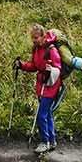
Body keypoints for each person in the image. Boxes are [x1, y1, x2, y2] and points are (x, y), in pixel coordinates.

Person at [15, 24, 65, 153]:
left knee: (41, 114)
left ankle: (44, 142)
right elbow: (34, 66)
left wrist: (51, 70)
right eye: (32, 37)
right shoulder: (36, 49)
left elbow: (58, 68)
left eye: (36, 37)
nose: (34, 40)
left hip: (51, 85)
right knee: (47, 113)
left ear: (43, 36)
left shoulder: (51, 50)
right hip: (41, 84)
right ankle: (52, 141)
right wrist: (22, 65)